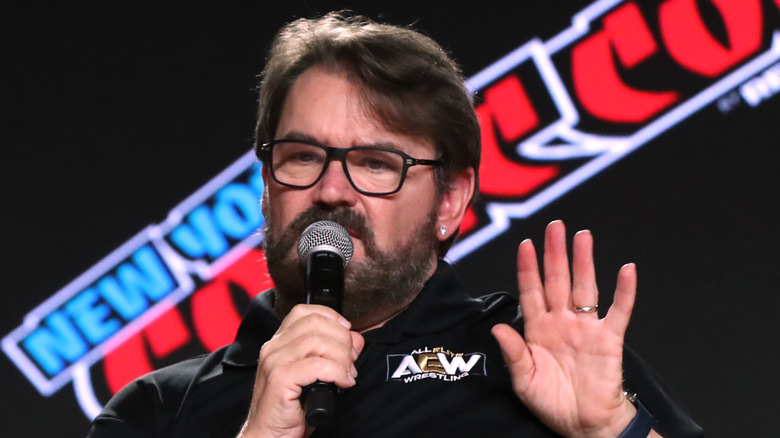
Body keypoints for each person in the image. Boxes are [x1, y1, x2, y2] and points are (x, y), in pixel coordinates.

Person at [87, 12, 702, 438]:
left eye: (376, 164)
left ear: (449, 200)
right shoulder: (157, 410)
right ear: (268, 183)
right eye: (302, 156)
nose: (330, 191)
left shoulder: (536, 355)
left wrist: (612, 429)